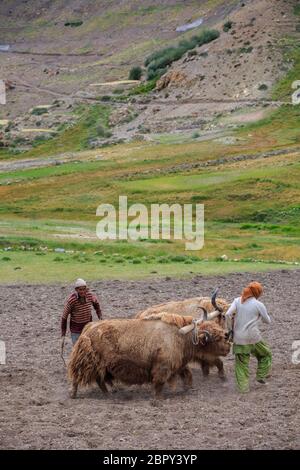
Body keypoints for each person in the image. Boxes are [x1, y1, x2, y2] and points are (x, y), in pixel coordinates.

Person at [225, 281, 272, 393]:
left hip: (239, 339)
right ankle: (261, 376)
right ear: (257, 293)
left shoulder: (237, 301)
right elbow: (268, 321)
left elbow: (227, 314)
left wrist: (230, 330)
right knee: (266, 354)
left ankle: (243, 390)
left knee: (241, 365)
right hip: (254, 338)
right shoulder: (259, 305)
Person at [61, 278, 102, 347]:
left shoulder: (90, 296)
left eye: (84, 289)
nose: (82, 291)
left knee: (88, 348)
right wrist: (63, 334)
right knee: (77, 348)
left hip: (88, 327)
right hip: (76, 330)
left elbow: (96, 304)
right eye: (80, 289)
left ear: (86, 289)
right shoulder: (72, 301)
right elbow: (64, 317)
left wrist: (100, 317)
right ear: (76, 290)